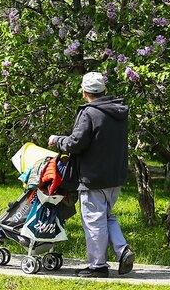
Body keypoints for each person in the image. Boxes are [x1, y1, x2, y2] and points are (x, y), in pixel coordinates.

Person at [47, 71, 134, 278]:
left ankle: (98, 267)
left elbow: (76, 144)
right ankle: (122, 250)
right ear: (105, 90)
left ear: (84, 92)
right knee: (106, 216)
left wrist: (57, 140)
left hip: (93, 177)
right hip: (115, 177)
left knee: (94, 222)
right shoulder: (119, 111)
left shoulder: (90, 113)